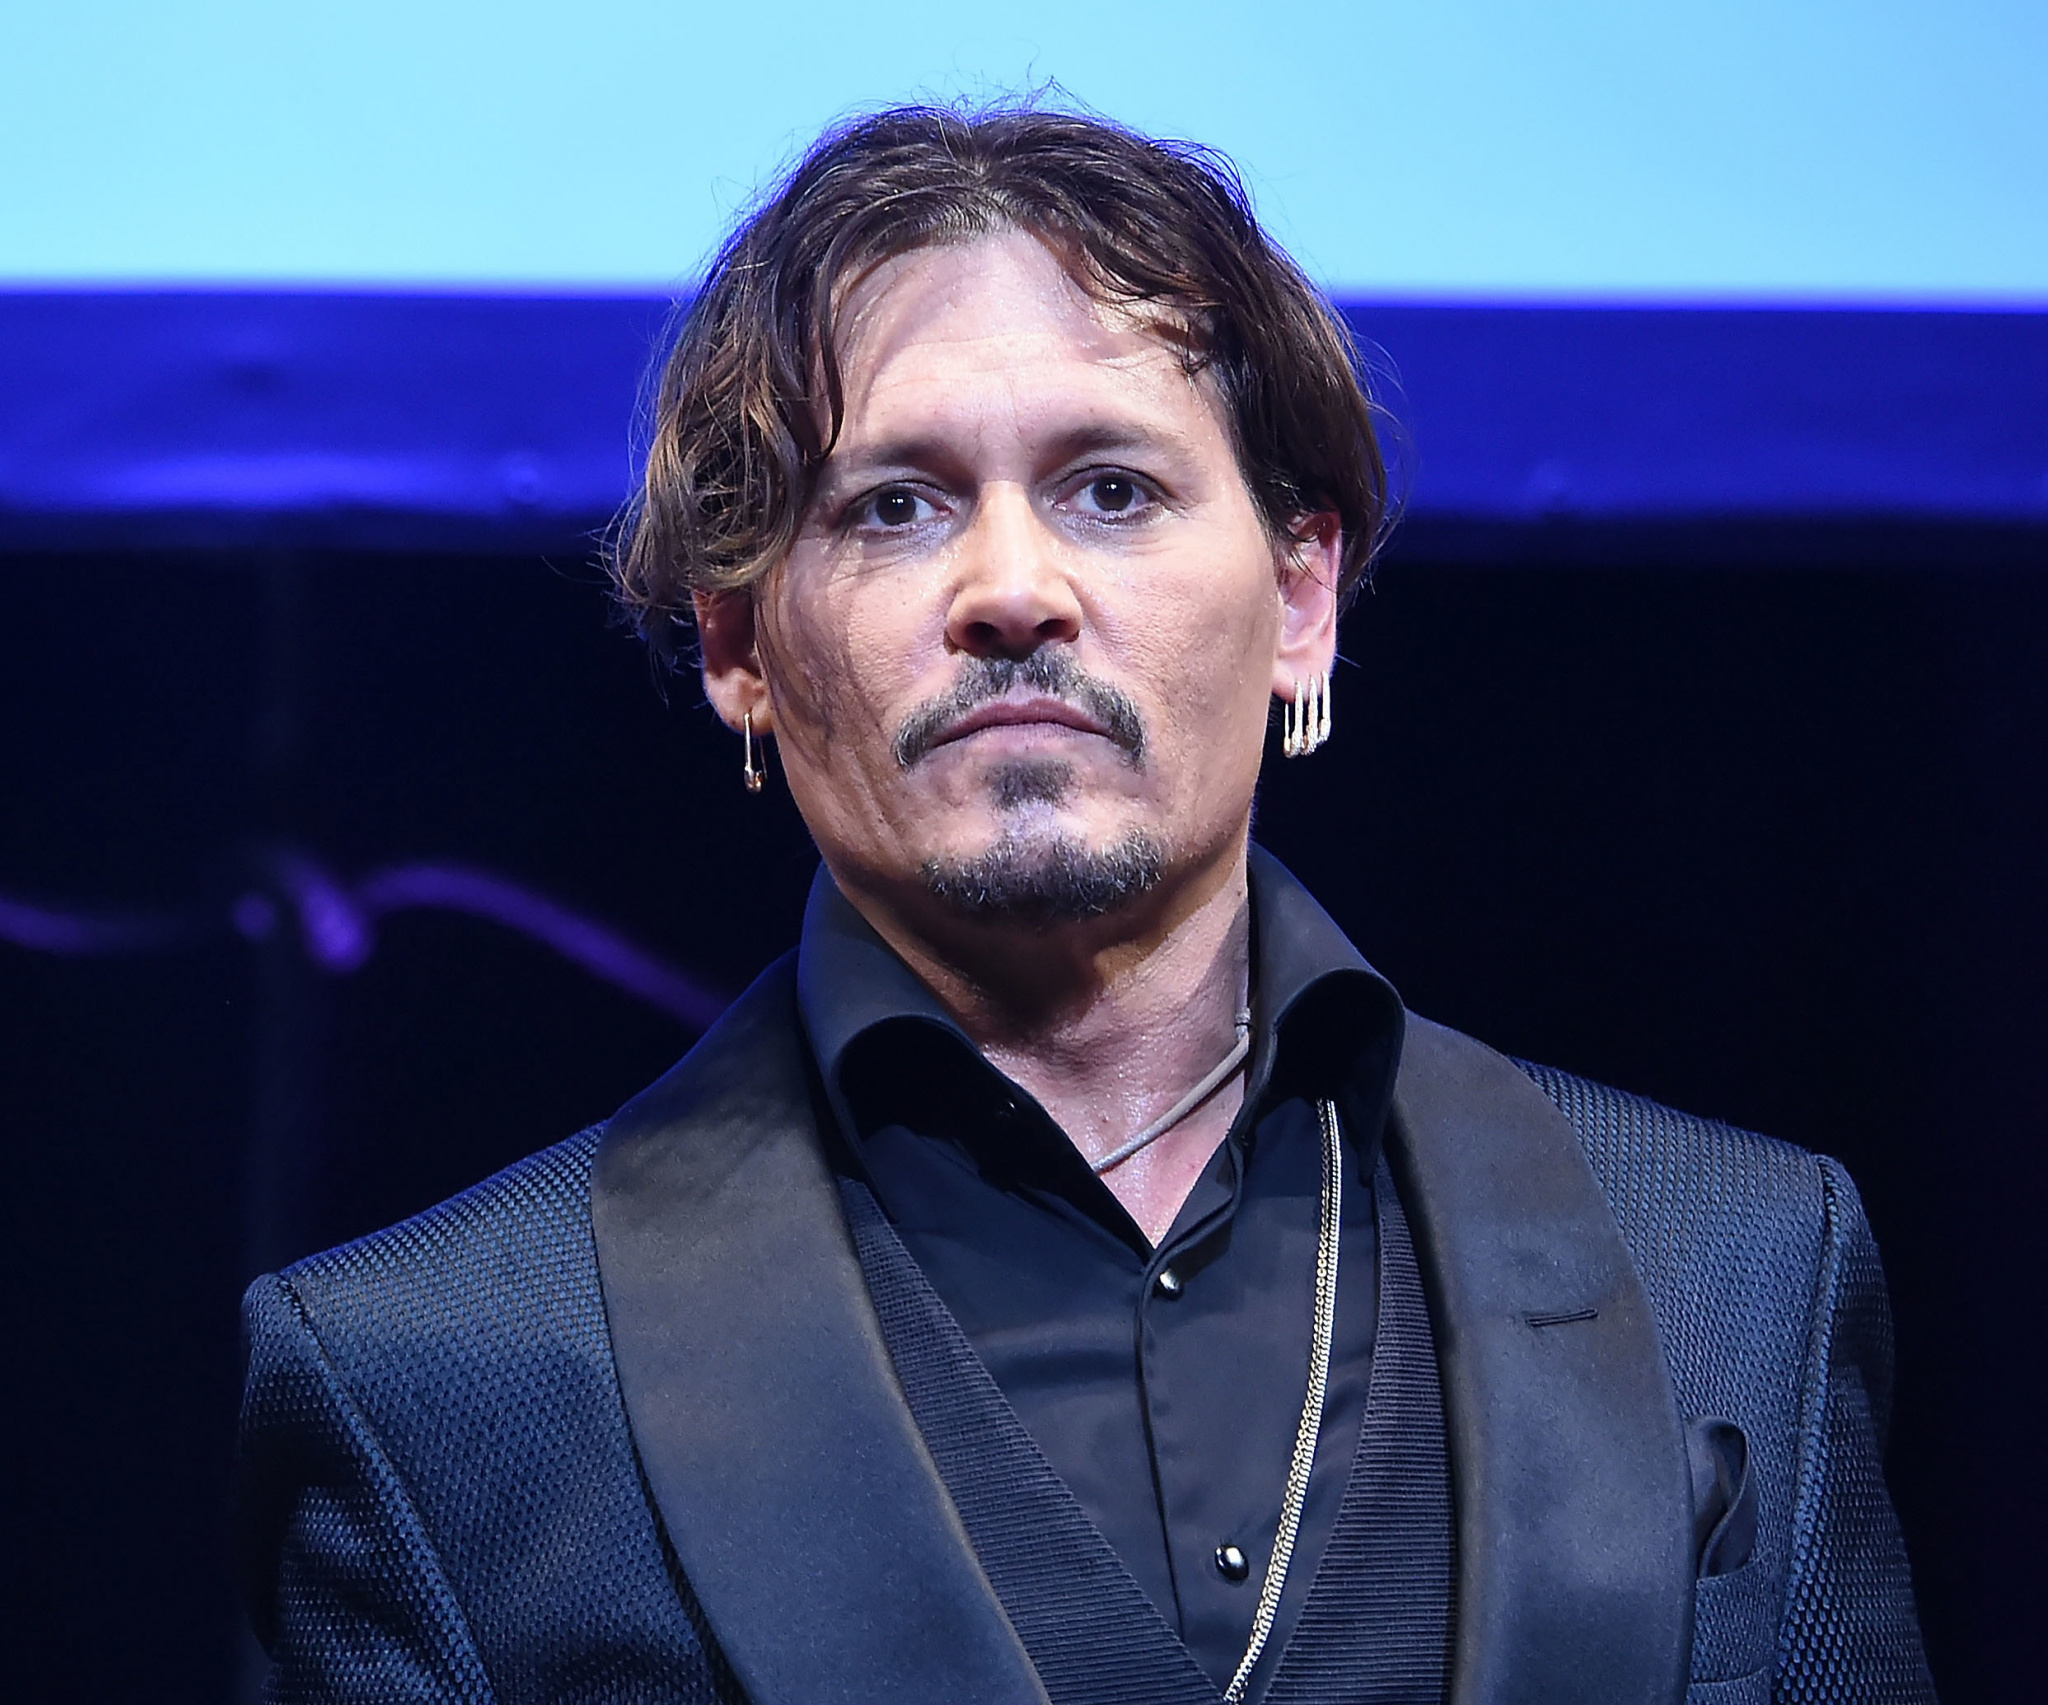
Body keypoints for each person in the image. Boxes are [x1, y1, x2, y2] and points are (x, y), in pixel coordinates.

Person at [233, 106, 1933, 1704]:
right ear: (739, 648)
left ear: (1302, 598)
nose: (1012, 590)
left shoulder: (1733, 1266)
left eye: (1110, 489)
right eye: (896, 505)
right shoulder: (438, 1380)